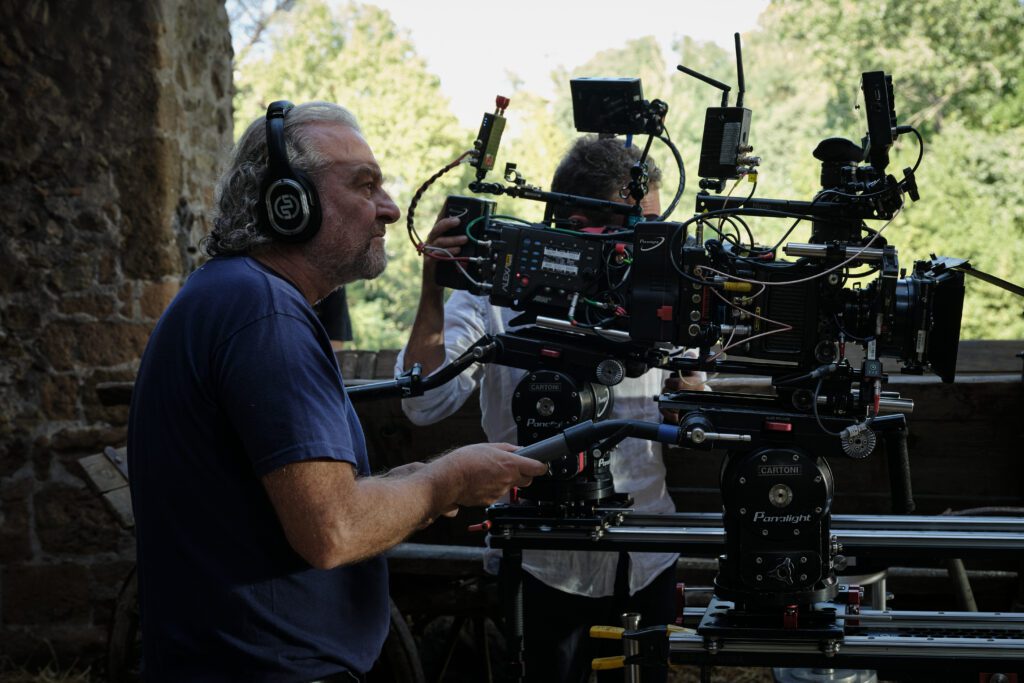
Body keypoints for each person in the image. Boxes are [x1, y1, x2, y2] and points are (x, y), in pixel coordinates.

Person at [127, 101, 549, 683]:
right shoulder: (264, 315)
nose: (390, 209)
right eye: (365, 185)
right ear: (289, 204)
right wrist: (446, 481)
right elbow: (333, 530)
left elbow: (308, 499)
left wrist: (419, 479)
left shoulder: (234, 296)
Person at [398, 136, 704, 682]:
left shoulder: (658, 289)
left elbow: (690, 401)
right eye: (645, 223)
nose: (658, 239)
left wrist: (691, 399)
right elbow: (426, 403)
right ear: (582, 221)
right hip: (539, 560)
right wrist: (434, 286)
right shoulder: (492, 292)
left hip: (646, 553)